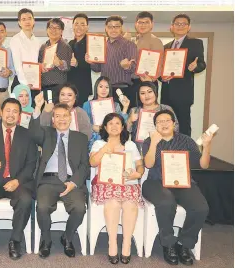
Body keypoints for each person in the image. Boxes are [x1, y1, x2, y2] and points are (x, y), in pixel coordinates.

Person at [142, 110, 212, 266]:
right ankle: (168, 245)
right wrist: (154, 143)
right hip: (155, 182)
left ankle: (185, 245)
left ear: (174, 123)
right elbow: (148, 164)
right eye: (159, 122)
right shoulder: (149, 141)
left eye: (167, 120)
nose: (164, 124)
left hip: (183, 183)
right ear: (155, 126)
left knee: (200, 207)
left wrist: (206, 147)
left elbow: (203, 165)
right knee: (166, 203)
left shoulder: (186, 141)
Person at [0, 98, 37, 260]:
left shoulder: (27, 135)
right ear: (1, 112)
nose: (11, 115)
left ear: (19, 115)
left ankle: (15, 240)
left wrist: (17, 180)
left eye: (15, 111)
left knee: (25, 199)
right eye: (8, 111)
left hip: (17, 181)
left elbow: (32, 163)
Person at [29, 103, 89, 258]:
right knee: (42, 207)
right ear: (53, 120)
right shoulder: (46, 133)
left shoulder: (80, 138)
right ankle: (46, 240)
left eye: (65, 115)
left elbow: (84, 165)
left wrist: (73, 182)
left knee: (79, 208)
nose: (62, 119)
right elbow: (33, 133)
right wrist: (37, 109)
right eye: (58, 116)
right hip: (48, 180)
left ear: (70, 118)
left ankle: (67, 237)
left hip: (71, 181)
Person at [89, 113, 144, 264]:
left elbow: (140, 165)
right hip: (106, 185)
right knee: (112, 203)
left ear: (123, 127)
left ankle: (127, 244)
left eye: (117, 123)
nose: (114, 126)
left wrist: (137, 173)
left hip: (128, 184)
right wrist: (106, 148)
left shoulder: (131, 145)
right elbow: (93, 162)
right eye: (110, 123)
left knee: (130, 205)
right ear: (105, 127)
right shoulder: (99, 144)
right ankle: (112, 243)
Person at [161, 14, 206, 136]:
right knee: (165, 126)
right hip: (166, 93)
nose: (180, 26)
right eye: (177, 24)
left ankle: (186, 153)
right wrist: (162, 77)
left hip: (183, 94)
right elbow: (161, 70)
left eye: (183, 24)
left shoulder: (195, 43)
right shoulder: (165, 47)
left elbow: (201, 63)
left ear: (189, 27)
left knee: (183, 126)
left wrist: (195, 67)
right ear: (172, 27)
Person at [90, 15, 138, 109]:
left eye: (116, 26)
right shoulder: (102, 45)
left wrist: (127, 66)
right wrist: (91, 61)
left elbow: (134, 67)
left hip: (122, 89)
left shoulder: (129, 44)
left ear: (121, 28)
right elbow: (97, 69)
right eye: (110, 27)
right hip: (106, 90)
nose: (113, 29)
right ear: (106, 29)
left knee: (121, 119)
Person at [127, 81, 179, 150]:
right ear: (139, 96)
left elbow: (176, 128)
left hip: (163, 147)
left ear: (155, 93)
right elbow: (127, 132)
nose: (147, 96)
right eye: (142, 93)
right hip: (140, 149)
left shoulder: (165, 108)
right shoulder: (134, 110)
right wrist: (130, 121)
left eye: (150, 92)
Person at [83, 76, 130, 149]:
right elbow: (84, 124)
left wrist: (125, 107)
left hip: (112, 138)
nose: (104, 90)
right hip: (94, 139)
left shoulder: (115, 105)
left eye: (107, 87)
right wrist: (93, 127)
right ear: (96, 88)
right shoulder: (87, 104)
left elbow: (121, 123)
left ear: (110, 89)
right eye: (101, 86)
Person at [38, 18, 73, 102]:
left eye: (57, 28)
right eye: (51, 27)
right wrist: (40, 66)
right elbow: (39, 63)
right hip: (44, 87)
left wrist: (59, 63)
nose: (53, 30)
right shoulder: (43, 46)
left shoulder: (65, 46)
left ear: (61, 31)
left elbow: (68, 66)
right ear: (47, 30)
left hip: (58, 88)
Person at [9, 8, 41, 94]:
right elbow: (17, 65)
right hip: (21, 82)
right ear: (19, 23)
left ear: (34, 21)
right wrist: (26, 84)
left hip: (35, 82)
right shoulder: (15, 39)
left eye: (29, 18)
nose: (27, 21)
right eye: (24, 19)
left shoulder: (37, 41)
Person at [133, 11, 164, 87]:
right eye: (140, 22)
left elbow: (160, 64)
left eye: (146, 22)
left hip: (148, 81)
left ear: (152, 25)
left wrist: (151, 80)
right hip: (134, 81)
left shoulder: (155, 41)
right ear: (136, 24)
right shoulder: (134, 40)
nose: (143, 25)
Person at [68, 13, 92, 107]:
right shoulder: (70, 43)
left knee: (80, 113)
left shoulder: (91, 42)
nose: (79, 27)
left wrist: (78, 63)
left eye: (82, 24)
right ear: (73, 26)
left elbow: (95, 64)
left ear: (87, 27)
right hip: (70, 85)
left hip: (83, 85)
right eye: (76, 24)